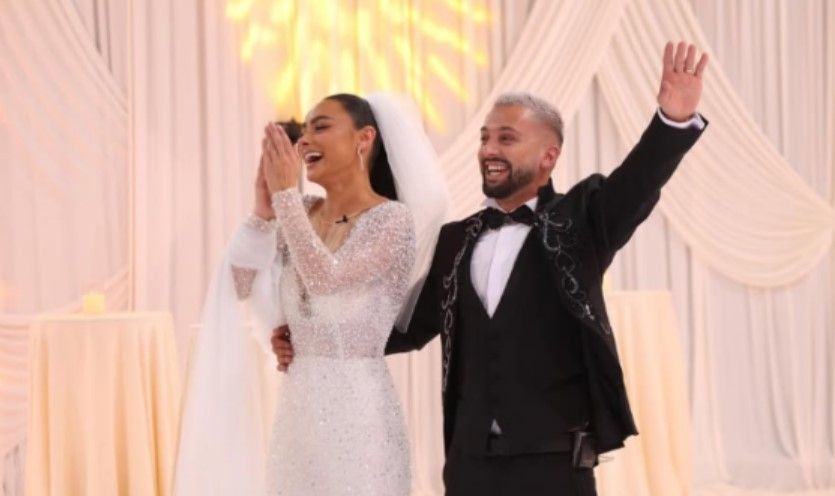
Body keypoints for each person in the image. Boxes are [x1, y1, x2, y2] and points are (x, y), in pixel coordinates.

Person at [273, 42, 709, 495]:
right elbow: (406, 327)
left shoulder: (580, 221)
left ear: (549, 156)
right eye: (485, 138)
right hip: (469, 465)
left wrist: (672, 122)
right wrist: (310, 337)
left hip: (555, 465)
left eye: (507, 138)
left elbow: (636, 184)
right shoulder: (454, 240)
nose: (489, 149)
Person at [174, 93, 448, 495]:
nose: (304, 141)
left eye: (320, 127)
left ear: (364, 138)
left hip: (359, 417)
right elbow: (238, 284)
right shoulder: (298, 212)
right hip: (297, 416)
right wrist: (262, 213)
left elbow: (327, 279)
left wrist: (285, 199)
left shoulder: (392, 220)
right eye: (302, 132)